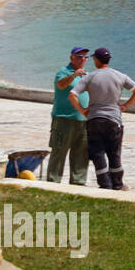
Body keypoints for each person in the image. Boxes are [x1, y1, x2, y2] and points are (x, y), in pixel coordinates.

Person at [69, 47, 135, 191]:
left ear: (96, 60)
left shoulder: (90, 77)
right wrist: (125, 106)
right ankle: (117, 184)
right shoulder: (120, 76)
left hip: (95, 119)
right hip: (114, 120)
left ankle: (105, 184)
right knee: (114, 153)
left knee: (97, 152)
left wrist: (83, 111)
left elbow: (72, 95)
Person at [47, 46, 91, 185]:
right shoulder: (63, 72)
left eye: (85, 57)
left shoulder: (87, 75)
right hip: (63, 119)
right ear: (71, 57)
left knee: (81, 154)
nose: (82, 59)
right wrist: (73, 75)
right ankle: (53, 182)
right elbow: (60, 85)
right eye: (79, 56)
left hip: (83, 120)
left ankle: (78, 182)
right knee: (59, 152)